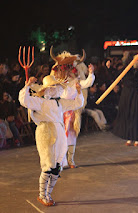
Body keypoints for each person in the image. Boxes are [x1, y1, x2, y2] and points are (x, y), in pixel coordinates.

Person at [19, 75, 84, 206]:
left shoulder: (60, 102)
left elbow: (78, 103)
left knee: (57, 167)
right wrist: (27, 86)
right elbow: (24, 100)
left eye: (59, 87)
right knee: (48, 166)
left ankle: (47, 194)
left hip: (59, 133)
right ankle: (42, 195)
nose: (58, 89)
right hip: (46, 133)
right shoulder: (40, 101)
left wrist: (79, 91)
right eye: (55, 87)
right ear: (48, 89)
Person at [49, 47, 95, 168]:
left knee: (71, 135)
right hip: (58, 111)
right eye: (64, 68)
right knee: (59, 136)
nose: (67, 71)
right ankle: (60, 161)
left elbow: (88, 83)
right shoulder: (56, 81)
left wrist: (90, 73)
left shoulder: (76, 81)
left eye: (69, 68)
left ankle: (70, 160)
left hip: (71, 111)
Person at [112, 51, 138, 147]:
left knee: (136, 114)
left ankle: (137, 138)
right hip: (126, 94)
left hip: (135, 93)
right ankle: (129, 137)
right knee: (127, 114)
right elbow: (117, 76)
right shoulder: (126, 69)